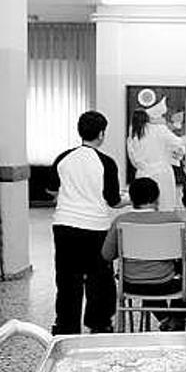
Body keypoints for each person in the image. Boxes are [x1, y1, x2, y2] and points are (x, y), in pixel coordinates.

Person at [47, 111, 125, 334]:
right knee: (99, 279)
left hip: (64, 226)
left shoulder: (63, 158)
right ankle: (99, 323)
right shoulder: (106, 163)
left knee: (66, 278)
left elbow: (51, 190)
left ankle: (66, 327)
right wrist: (130, 199)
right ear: (101, 134)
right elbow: (114, 201)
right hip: (95, 227)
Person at [101, 178, 186, 331]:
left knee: (147, 277)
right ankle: (175, 319)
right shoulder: (173, 220)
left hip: (130, 284)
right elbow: (185, 254)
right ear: (157, 198)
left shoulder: (120, 221)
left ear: (131, 199)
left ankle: (166, 319)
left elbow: (106, 255)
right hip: (165, 284)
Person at [127, 106, 185, 211]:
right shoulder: (159, 129)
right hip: (162, 174)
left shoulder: (132, 136)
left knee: (143, 209)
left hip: (143, 175)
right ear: (148, 117)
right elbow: (178, 143)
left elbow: (133, 161)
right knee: (165, 207)